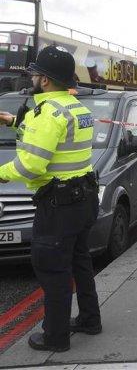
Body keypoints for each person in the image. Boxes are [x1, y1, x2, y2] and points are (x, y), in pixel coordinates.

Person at [0, 46, 101, 352]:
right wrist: (12, 121)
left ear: (44, 81)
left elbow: (31, 164)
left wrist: (1, 173)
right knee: (80, 261)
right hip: (83, 197)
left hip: (58, 205)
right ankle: (89, 319)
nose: (31, 77)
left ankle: (56, 337)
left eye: (34, 73)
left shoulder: (47, 114)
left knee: (52, 269)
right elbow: (55, 136)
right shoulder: (76, 107)